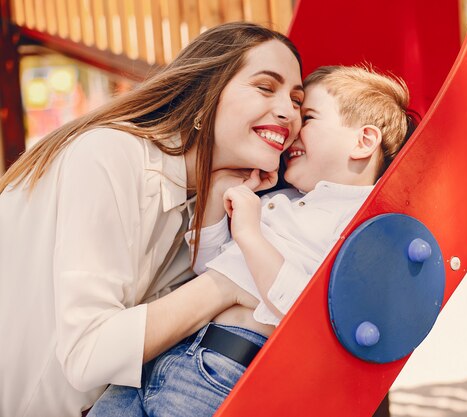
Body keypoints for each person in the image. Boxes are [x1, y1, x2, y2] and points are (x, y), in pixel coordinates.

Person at [0, 22, 304, 417]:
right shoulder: (109, 156)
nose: (288, 112)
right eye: (266, 87)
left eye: (298, 101)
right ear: (205, 92)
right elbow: (88, 353)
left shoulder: (215, 201)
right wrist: (224, 284)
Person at [88, 65, 417, 417]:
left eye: (308, 118)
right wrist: (217, 205)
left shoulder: (358, 225)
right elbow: (213, 266)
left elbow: (306, 312)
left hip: (223, 369)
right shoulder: (285, 198)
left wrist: (249, 234)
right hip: (165, 354)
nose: (291, 133)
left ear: (363, 142)